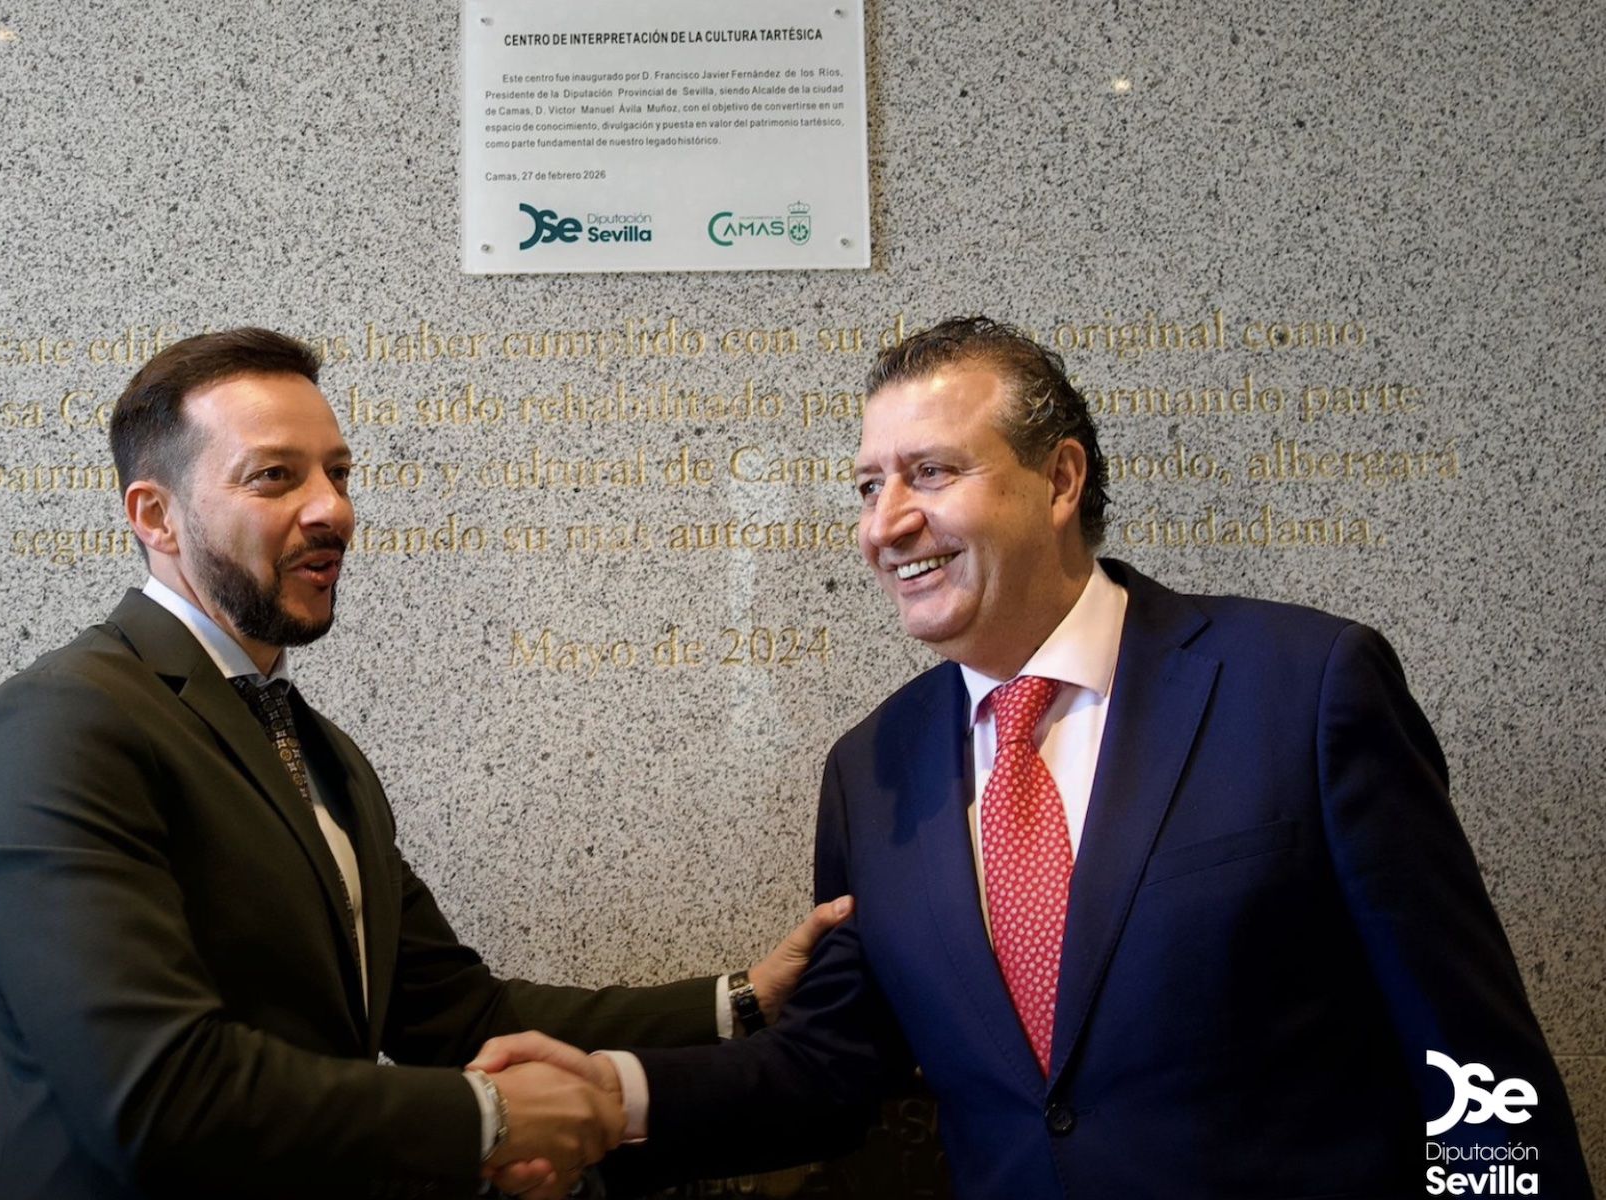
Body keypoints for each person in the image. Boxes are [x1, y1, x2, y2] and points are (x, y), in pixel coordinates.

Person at [476, 316, 1593, 1198]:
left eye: (929, 473)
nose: (884, 523)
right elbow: (830, 1068)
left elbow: (1474, 1063)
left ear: (1059, 481)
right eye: (869, 486)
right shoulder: (873, 770)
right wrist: (613, 1095)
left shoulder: (1301, 687)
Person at [0, 327, 847, 1199]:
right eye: (274, 477)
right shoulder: (67, 718)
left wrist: (741, 1002)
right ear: (155, 515)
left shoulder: (319, 750)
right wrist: (488, 1116)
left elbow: (455, 1015)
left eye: (337, 473)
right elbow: (151, 1092)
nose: (332, 507)